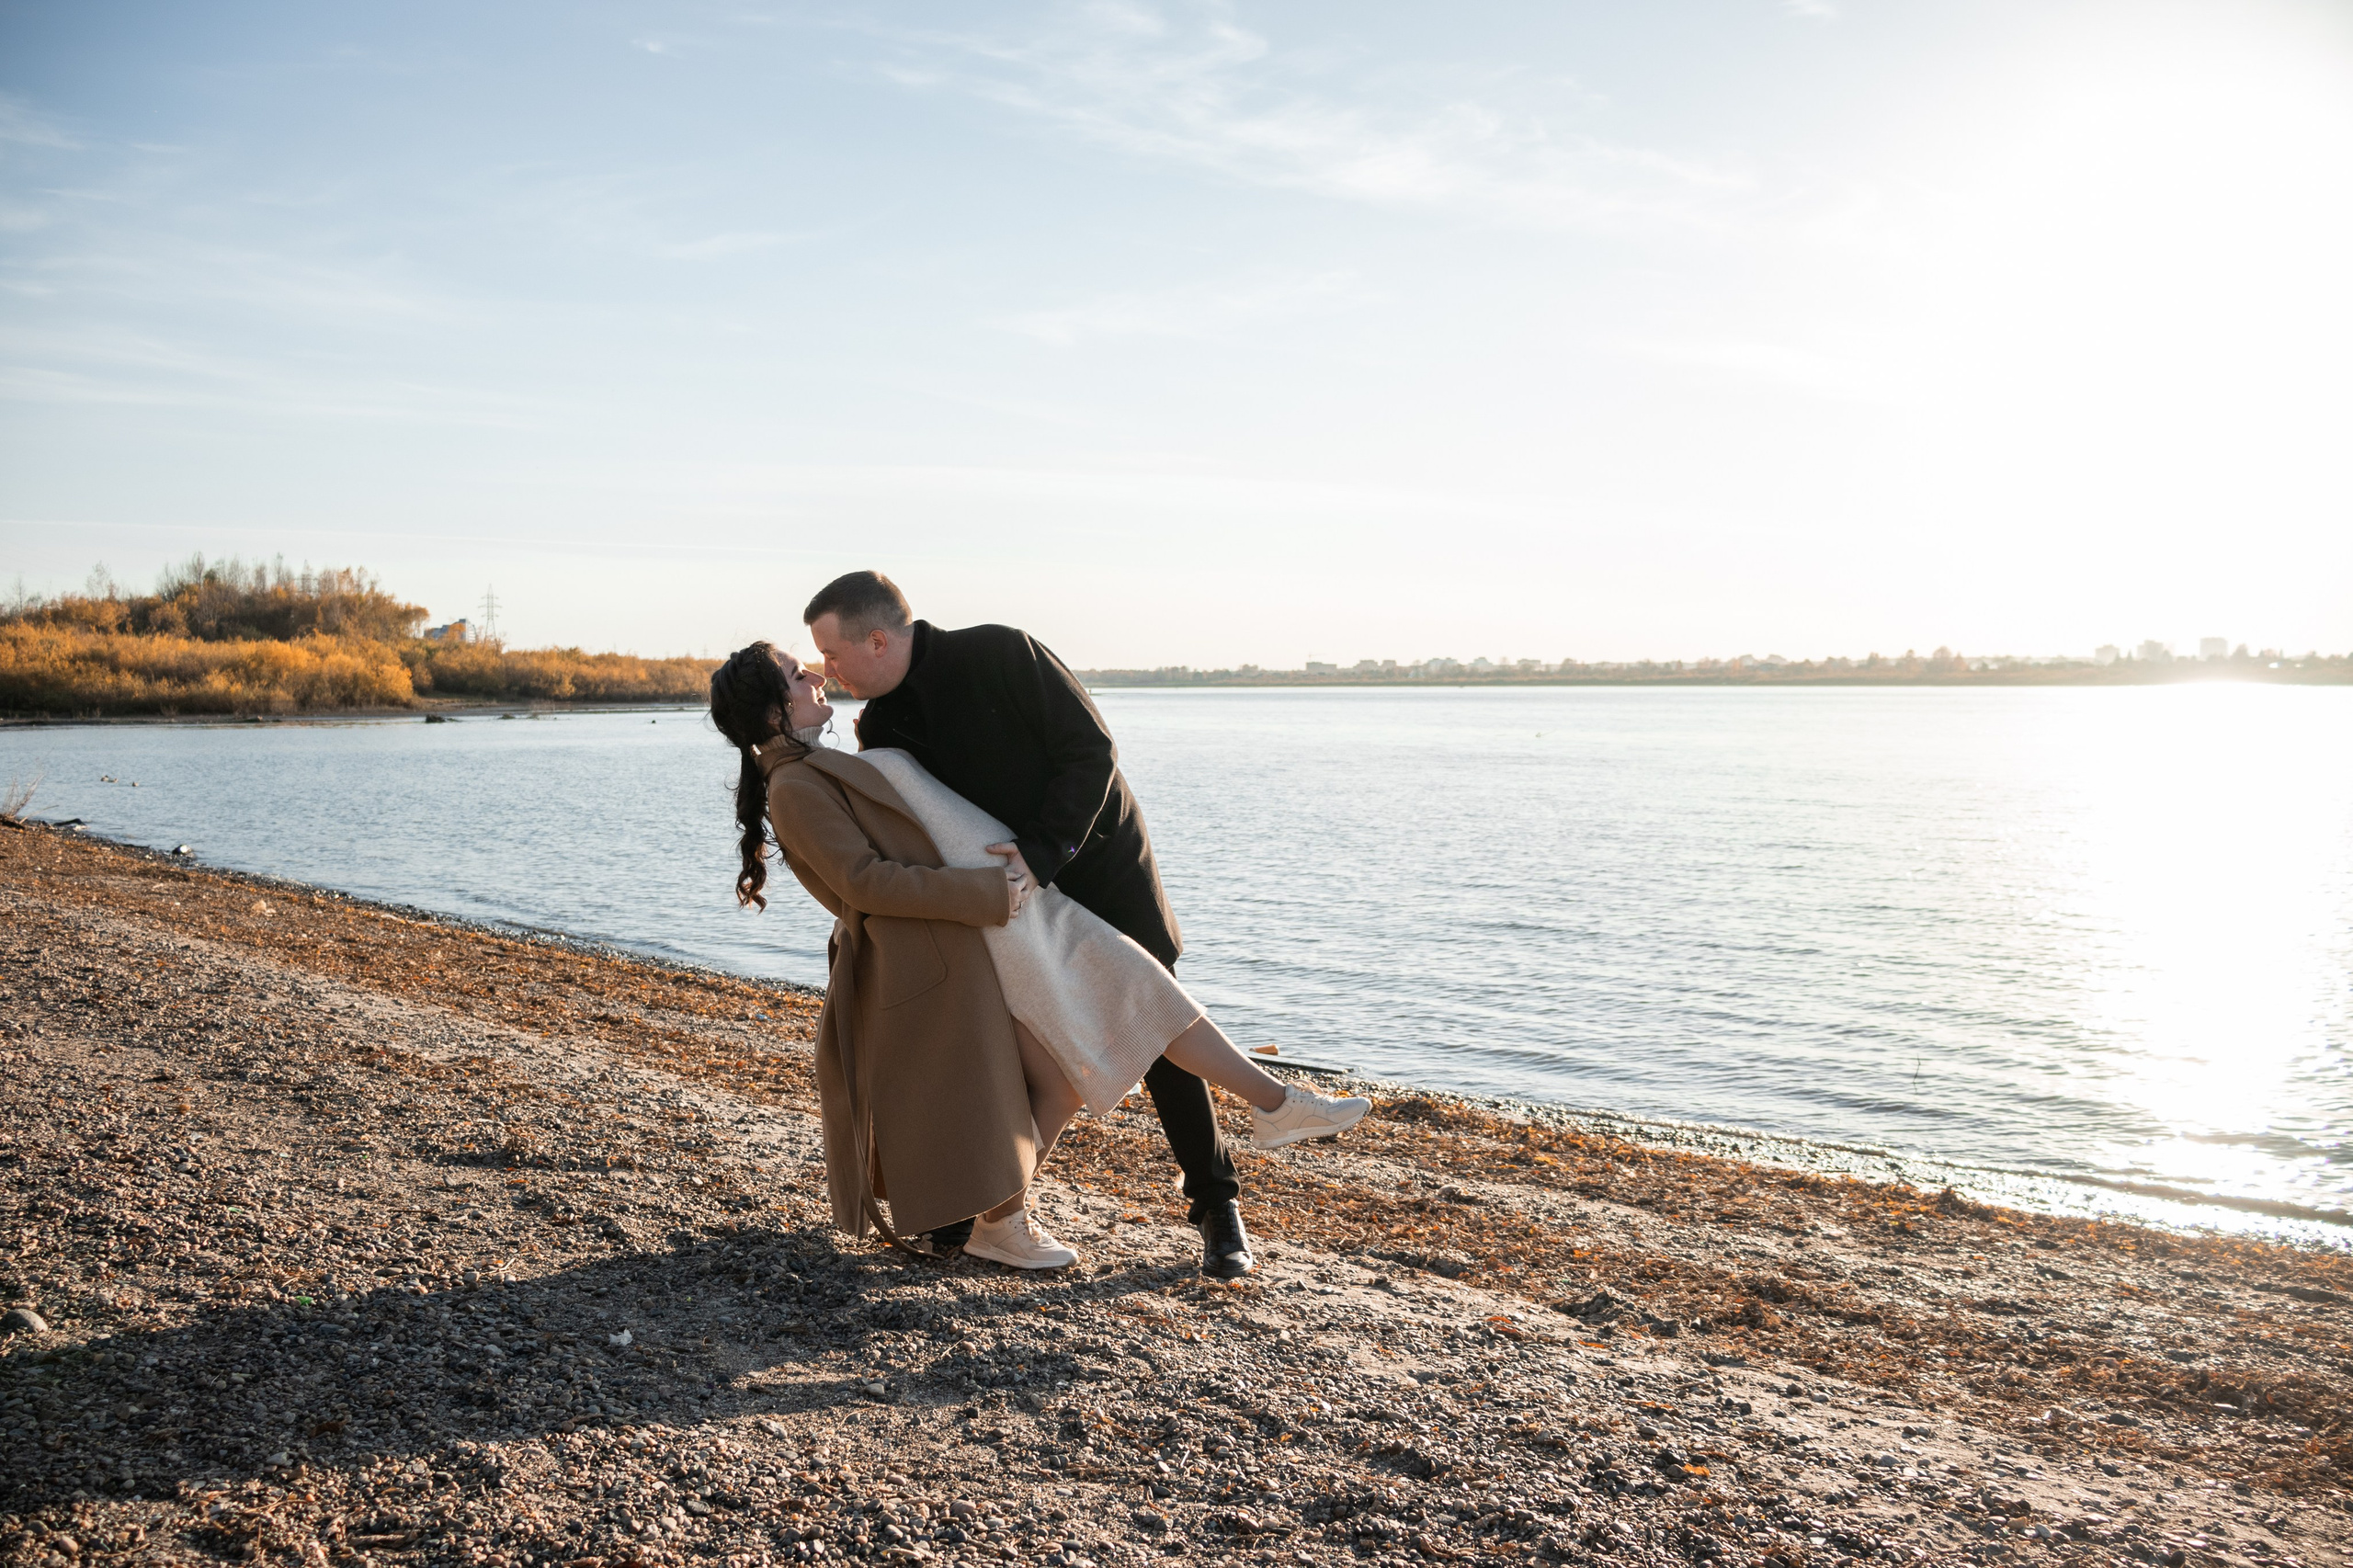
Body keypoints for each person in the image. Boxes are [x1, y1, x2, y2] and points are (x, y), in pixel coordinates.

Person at [710, 641, 1369, 1270]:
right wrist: (988, 892)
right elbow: (862, 883)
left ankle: (1005, 1221)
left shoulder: (821, 761)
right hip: (987, 924)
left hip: (1007, 920)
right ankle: (1272, 1106)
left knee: (1078, 1057)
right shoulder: (795, 785)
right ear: (774, 711)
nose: (817, 678)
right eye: (799, 675)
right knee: (1132, 1000)